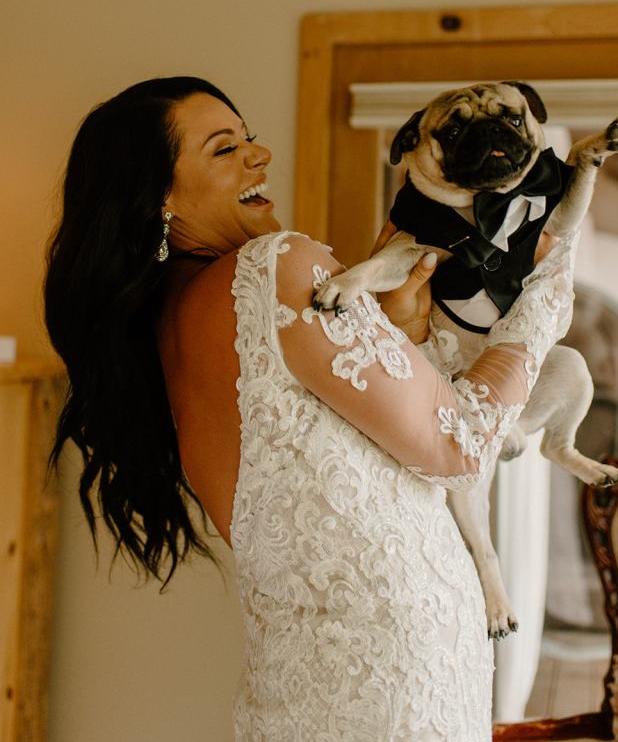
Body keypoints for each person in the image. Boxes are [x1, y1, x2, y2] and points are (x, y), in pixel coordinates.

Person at [44, 76, 576, 741]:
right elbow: (461, 444)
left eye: (251, 140)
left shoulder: (167, 333)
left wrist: (400, 331)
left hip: (320, 695)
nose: (257, 157)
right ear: (161, 197)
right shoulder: (277, 265)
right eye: (224, 149)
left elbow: (356, 465)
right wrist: (545, 300)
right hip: (395, 701)